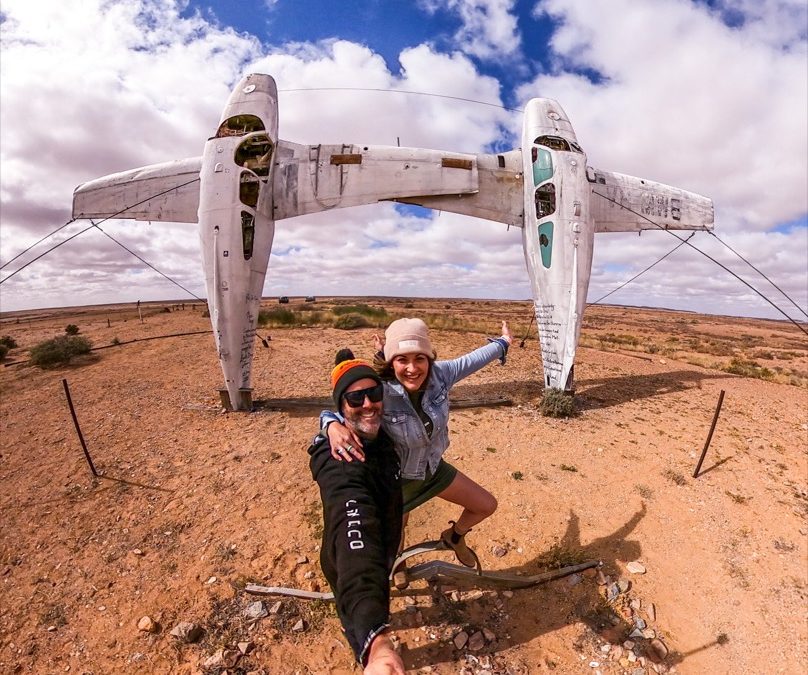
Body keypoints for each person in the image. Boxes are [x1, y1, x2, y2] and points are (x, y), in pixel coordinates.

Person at [321, 318, 512, 582]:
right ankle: (399, 566)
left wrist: (503, 343)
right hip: (397, 478)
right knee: (397, 531)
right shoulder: (379, 389)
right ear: (391, 362)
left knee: (485, 505)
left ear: (429, 358)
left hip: (431, 470)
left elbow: (476, 358)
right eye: (402, 360)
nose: (412, 368)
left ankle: (454, 537)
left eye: (419, 358)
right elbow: (343, 408)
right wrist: (331, 425)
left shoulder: (441, 374)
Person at [308, 349, 406, 675]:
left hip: (386, 545)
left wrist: (329, 421)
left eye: (373, 393)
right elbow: (355, 530)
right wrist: (378, 646)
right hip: (349, 560)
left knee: (379, 584)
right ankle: (365, 646)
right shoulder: (339, 457)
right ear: (341, 407)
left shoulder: (381, 433)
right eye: (355, 398)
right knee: (357, 607)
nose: (367, 404)